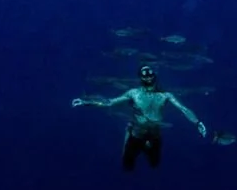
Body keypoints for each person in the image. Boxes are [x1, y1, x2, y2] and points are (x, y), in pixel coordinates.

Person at [72, 64, 206, 170]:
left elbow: (183, 109)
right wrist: (86, 102)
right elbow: (110, 102)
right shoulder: (133, 93)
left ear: (154, 76)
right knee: (127, 165)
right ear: (140, 78)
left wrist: (197, 122)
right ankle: (128, 134)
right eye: (144, 75)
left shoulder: (165, 95)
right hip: (136, 136)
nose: (148, 77)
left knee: (155, 164)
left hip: (154, 137)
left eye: (150, 74)